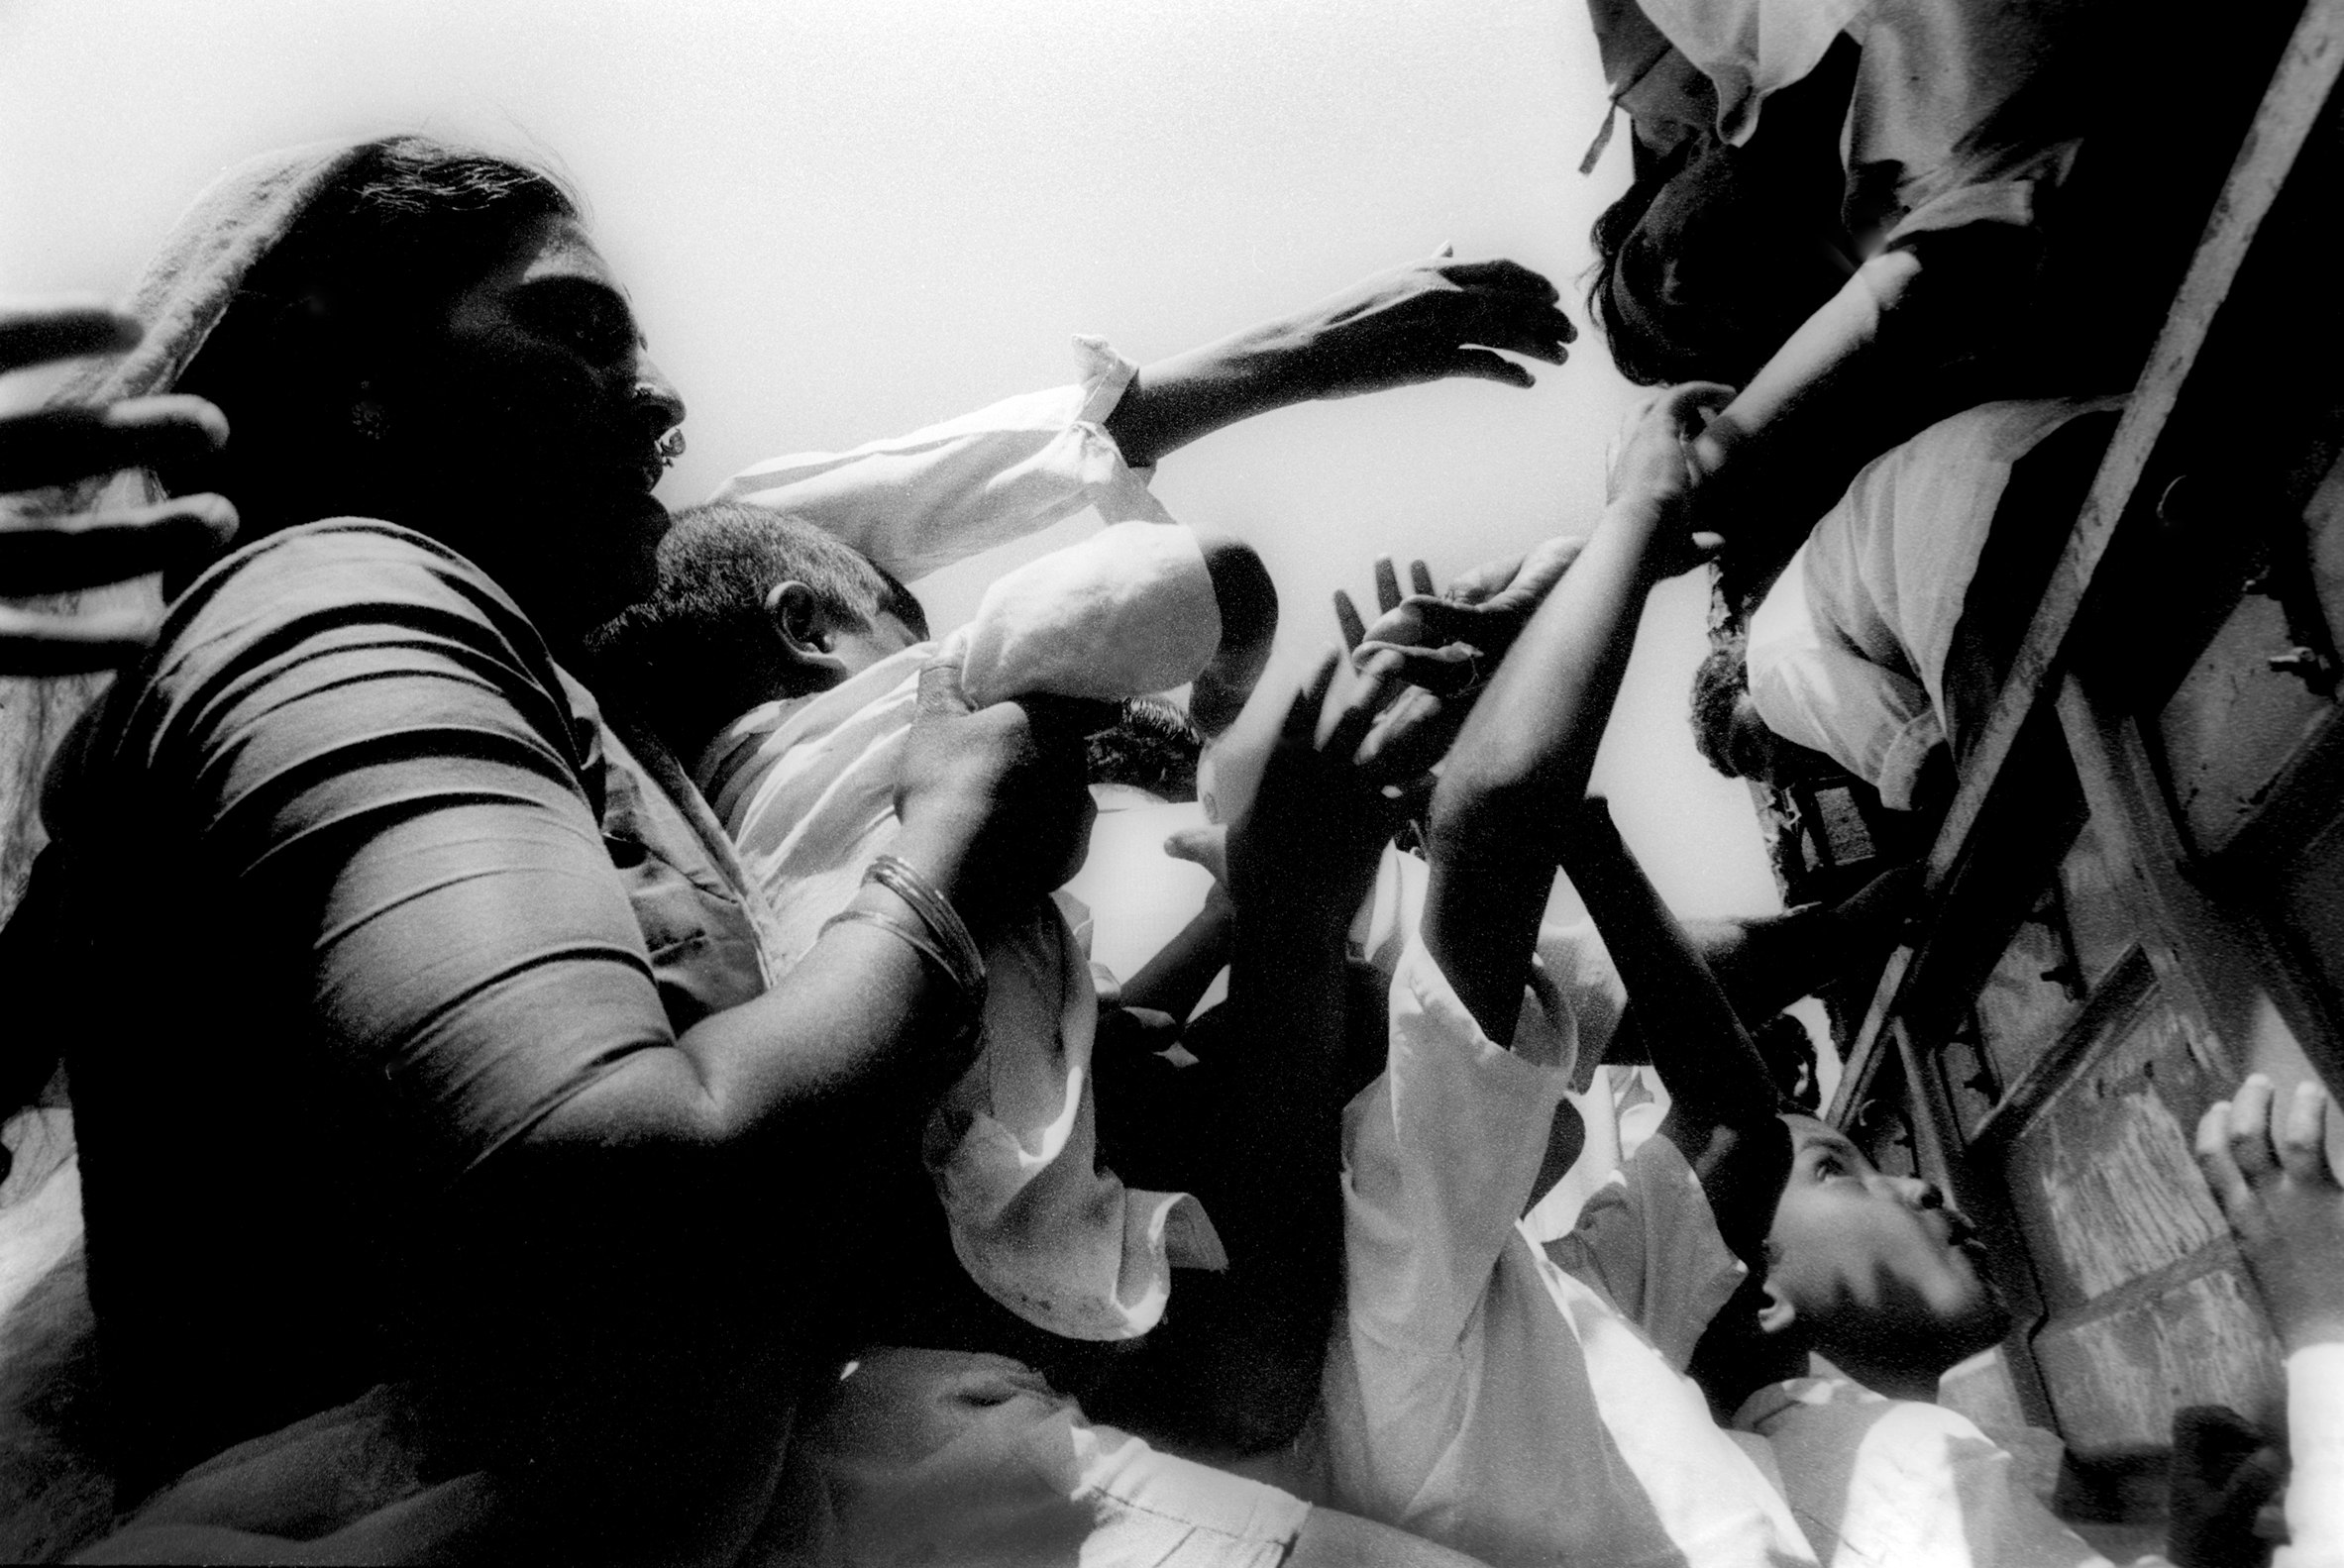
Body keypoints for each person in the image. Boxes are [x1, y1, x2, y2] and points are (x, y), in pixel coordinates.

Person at [587, 499, 1272, 1344]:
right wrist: (1221, 701)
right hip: (1062, 1236)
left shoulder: (730, 856)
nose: (925, 639)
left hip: (923, 1269)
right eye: (901, 618)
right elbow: (1222, 567)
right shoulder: (928, 694)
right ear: (804, 623)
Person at [1689, 396, 2120, 815]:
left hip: (1970, 543)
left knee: (2006, 793)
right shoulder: (1805, 596)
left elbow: (1919, 755)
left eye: (1747, 751)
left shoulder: (1768, 677)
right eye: (1756, 775)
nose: (1776, 778)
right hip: (2042, 440)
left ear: (1741, 683)